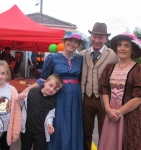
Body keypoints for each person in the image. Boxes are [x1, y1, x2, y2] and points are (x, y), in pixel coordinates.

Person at [19, 32, 86, 150]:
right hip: (58, 95)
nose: (72, 43)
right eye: (70, 40)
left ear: (79, 44)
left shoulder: (80, 59)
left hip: (75, 97)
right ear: (64, 41)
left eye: (76, 42)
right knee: (57, 124)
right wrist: (27, 89)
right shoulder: (52, 58)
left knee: (73, 124)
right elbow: (43, 79)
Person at [79, 22, 118, 150]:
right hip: (86, 99)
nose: (96, 40)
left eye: (100, 37)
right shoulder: (82, 54)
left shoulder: (113, 55)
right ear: (91, 37)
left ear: (106, 39)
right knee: (86, 132)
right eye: (94, 36)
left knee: (105, 132)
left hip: (105, 100)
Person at [98, 33, 141, 150]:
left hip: (129, 114)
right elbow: (104, 90)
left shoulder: (138, 69)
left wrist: (119, 113)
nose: (122, 48)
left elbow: (138, 97)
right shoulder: (109, 68)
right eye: (119, 45)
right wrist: (108, 109)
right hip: (109, 113)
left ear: (132, 49)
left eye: (126, 45)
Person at [20, 74, 63, 150]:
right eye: (50, 85)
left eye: (55, 89)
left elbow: (50, 115)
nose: (51, 89)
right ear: (45, 82)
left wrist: (49, 124)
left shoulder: (52, 101)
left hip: (40, 133)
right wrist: (21, 98)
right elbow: (21, 104)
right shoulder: (32, 92)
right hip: (27, 131)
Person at [0, 60, 21, 150]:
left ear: (7, 75)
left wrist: (15, 132)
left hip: (7, 129)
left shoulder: (12, 90)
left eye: (3, 73)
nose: (0, 76)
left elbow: (16, 113)